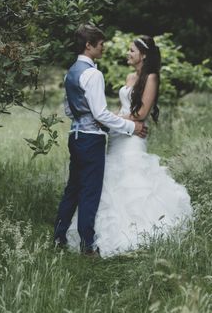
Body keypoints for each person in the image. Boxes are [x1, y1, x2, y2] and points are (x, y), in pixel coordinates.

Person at [66, 35, 193, 257]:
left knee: (132, 180)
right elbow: (124, 108)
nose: (128, 53)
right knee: (110, 182)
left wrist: (113, 119)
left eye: (131, 50)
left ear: (143, 55)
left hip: (133, 139)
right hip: (118, 136)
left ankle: (136, 231)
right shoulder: (129, 76)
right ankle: (97, 234)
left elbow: (142, 113)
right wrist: (113, 119)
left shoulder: (151, 78)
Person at [54, 24, 147, 255]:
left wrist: (84, 116)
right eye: (101, 43)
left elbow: (69, 110)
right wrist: (130, 127)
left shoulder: (71, 73)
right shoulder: (93, 74)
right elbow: (101, 114)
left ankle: (58, 237)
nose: (103, 47)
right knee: (90, 192)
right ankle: (88, 246)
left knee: (73, 189)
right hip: (91, 140)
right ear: (89, 45)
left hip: (75, 136)